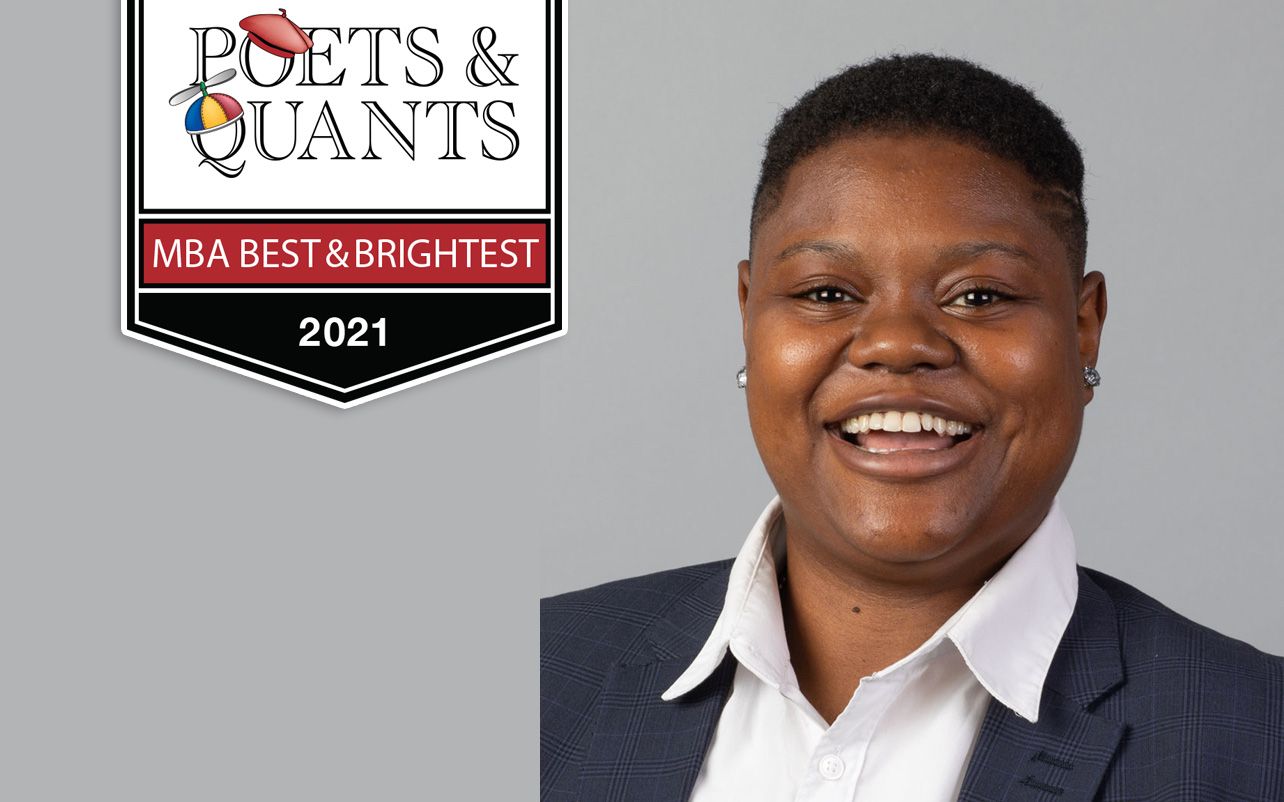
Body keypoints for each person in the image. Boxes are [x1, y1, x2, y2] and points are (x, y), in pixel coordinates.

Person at [540, 53, 1284, 802]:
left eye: (979, 295)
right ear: (747, 315)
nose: (897, 344)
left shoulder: (1258, 741)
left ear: (1083, 329)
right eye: (826, 292)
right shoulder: (534, 678)